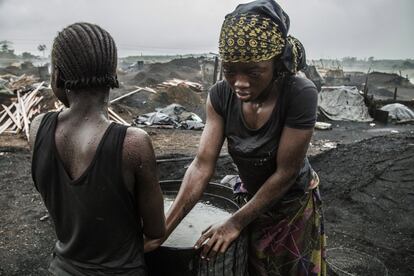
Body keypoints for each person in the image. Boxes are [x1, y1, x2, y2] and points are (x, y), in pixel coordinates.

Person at [145, 1, 326, 275]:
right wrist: (163, 231)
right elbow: (202, 165)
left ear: (276, 64)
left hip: (291, 206)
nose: (239, 83)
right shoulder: (220, 95)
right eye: (230, 70)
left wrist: (234, 223)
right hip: (250, 199)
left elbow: (286, 173)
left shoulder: (299, 93)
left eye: (253, 72)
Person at [29, 22, 165, 275]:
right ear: (113, 75)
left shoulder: (38, 130)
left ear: (57, 76)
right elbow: (156, 232)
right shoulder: (133, 144)